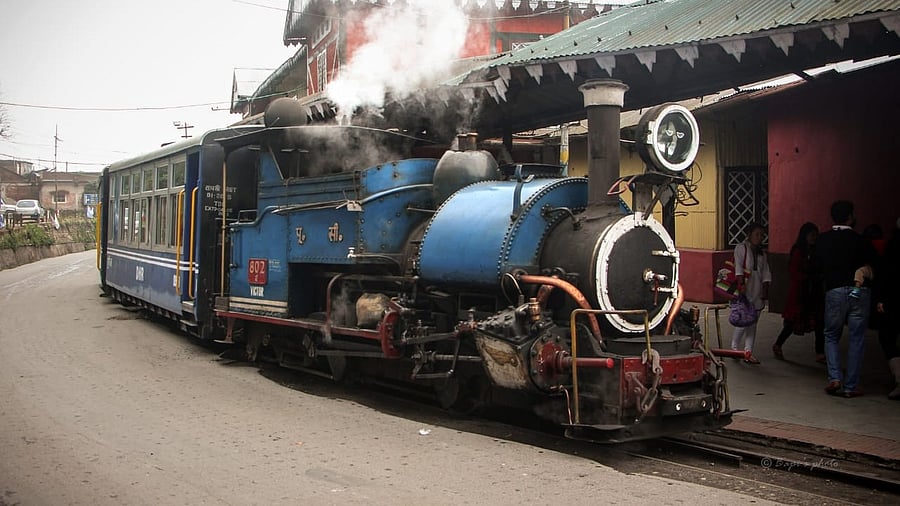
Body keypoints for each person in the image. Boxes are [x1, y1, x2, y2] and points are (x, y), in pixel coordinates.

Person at [816, 200, 878, 398]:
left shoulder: (823, 240)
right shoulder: (861, 241)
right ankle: (851, 386)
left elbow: (816, 267)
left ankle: (835, 377)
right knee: (857, 338)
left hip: (834, 291)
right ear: (850, 216)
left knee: (832, 335)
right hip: (859, 292)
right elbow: (875, 264)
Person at [772, 222, 824, 361]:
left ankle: (820, 352)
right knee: (792, 322)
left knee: (819, 323)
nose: (814, 238)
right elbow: (794, 272)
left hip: (814, 292)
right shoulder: (798, 251)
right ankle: (778, 344)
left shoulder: (816, 251)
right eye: (811, 235)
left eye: (815, 235)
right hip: (800, 292)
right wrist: (808, 277)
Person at [730, 222, 771, 364]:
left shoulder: (762, 253)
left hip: (757, 289)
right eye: (757, 234)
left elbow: (765, 272)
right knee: (743, 320)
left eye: (762, 235)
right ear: (749, 234)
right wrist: (741, 287)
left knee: (753, 323)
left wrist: (765, 289)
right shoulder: (741, 248)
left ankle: (748, 352)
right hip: (746, 289)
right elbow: (739, 267)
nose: (759, 237)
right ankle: (735, 349)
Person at [875, 217, 900, 400]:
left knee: (888, 337)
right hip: (893, 298)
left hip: (893, 299)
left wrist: (881, 298)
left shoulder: (893, 247)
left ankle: (899, 379)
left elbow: (886, 273)